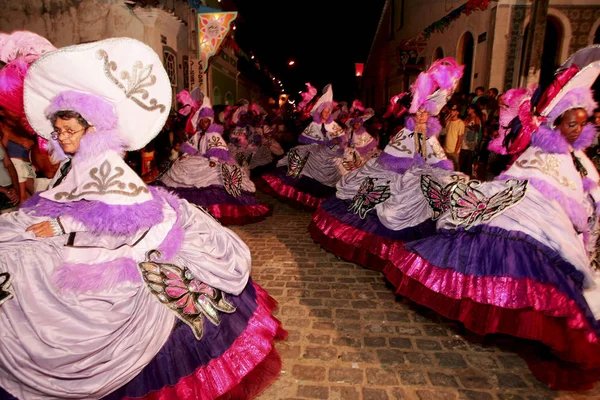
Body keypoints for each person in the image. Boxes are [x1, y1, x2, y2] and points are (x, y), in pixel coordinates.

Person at [0, 37, 285, 400]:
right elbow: (69, 196)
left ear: (91, 128)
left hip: (115, 234)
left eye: (70, 130)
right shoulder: (78, 160)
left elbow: (121, 209)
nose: (62, 138)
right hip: (89, 230)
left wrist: (60, 225)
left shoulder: (105, 162)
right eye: (59, 132)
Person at [383, 56, 600, 390]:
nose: (578, 129)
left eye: (582, 123)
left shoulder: (579, 161)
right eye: (571, 122)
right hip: (516, 220)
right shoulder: (542, 157)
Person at [309, 58, 466, 271]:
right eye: (419, 111)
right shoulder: (412, 132)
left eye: (425, 112)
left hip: (413, 174)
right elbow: (417, 155)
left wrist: (433, 165)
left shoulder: (425, 133)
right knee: (377, 201)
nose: (421, 115)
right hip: (397, 171)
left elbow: (430, 157)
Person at [157, 94, 271, 225]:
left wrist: (213, 158)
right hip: (197, 160)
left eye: (206, 121)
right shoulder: (198, 135)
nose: (204, 124)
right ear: (199, 122)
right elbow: (192, 147)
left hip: (211, 161)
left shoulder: (214, 134)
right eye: (202, 121)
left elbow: (218, 147)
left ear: (210, 121)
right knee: (180, 168)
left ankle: (217, 208)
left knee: (216, 179)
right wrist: (185, 155)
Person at [258, 84, 349, 209]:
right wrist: (324, 143)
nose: (327, 113)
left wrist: (337, 142)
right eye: (325, 111)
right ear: (320, 111)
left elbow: (341, 138)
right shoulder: (314, 125)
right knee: (297, 158)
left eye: (329, 111)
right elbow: (309, 140)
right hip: (315, 152)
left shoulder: (334, 125)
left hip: (332, 155)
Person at [442, 103, 465, 169]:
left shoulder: (460, 123)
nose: (452, 112)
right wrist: (449, 117)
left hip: (453, 150)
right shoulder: (449, 121)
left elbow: (460, 138)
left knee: (455, 168)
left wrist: (455, 151)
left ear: (457, 112)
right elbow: (444, 124)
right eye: (451, 110)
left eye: (454, 111)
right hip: (446, 148)